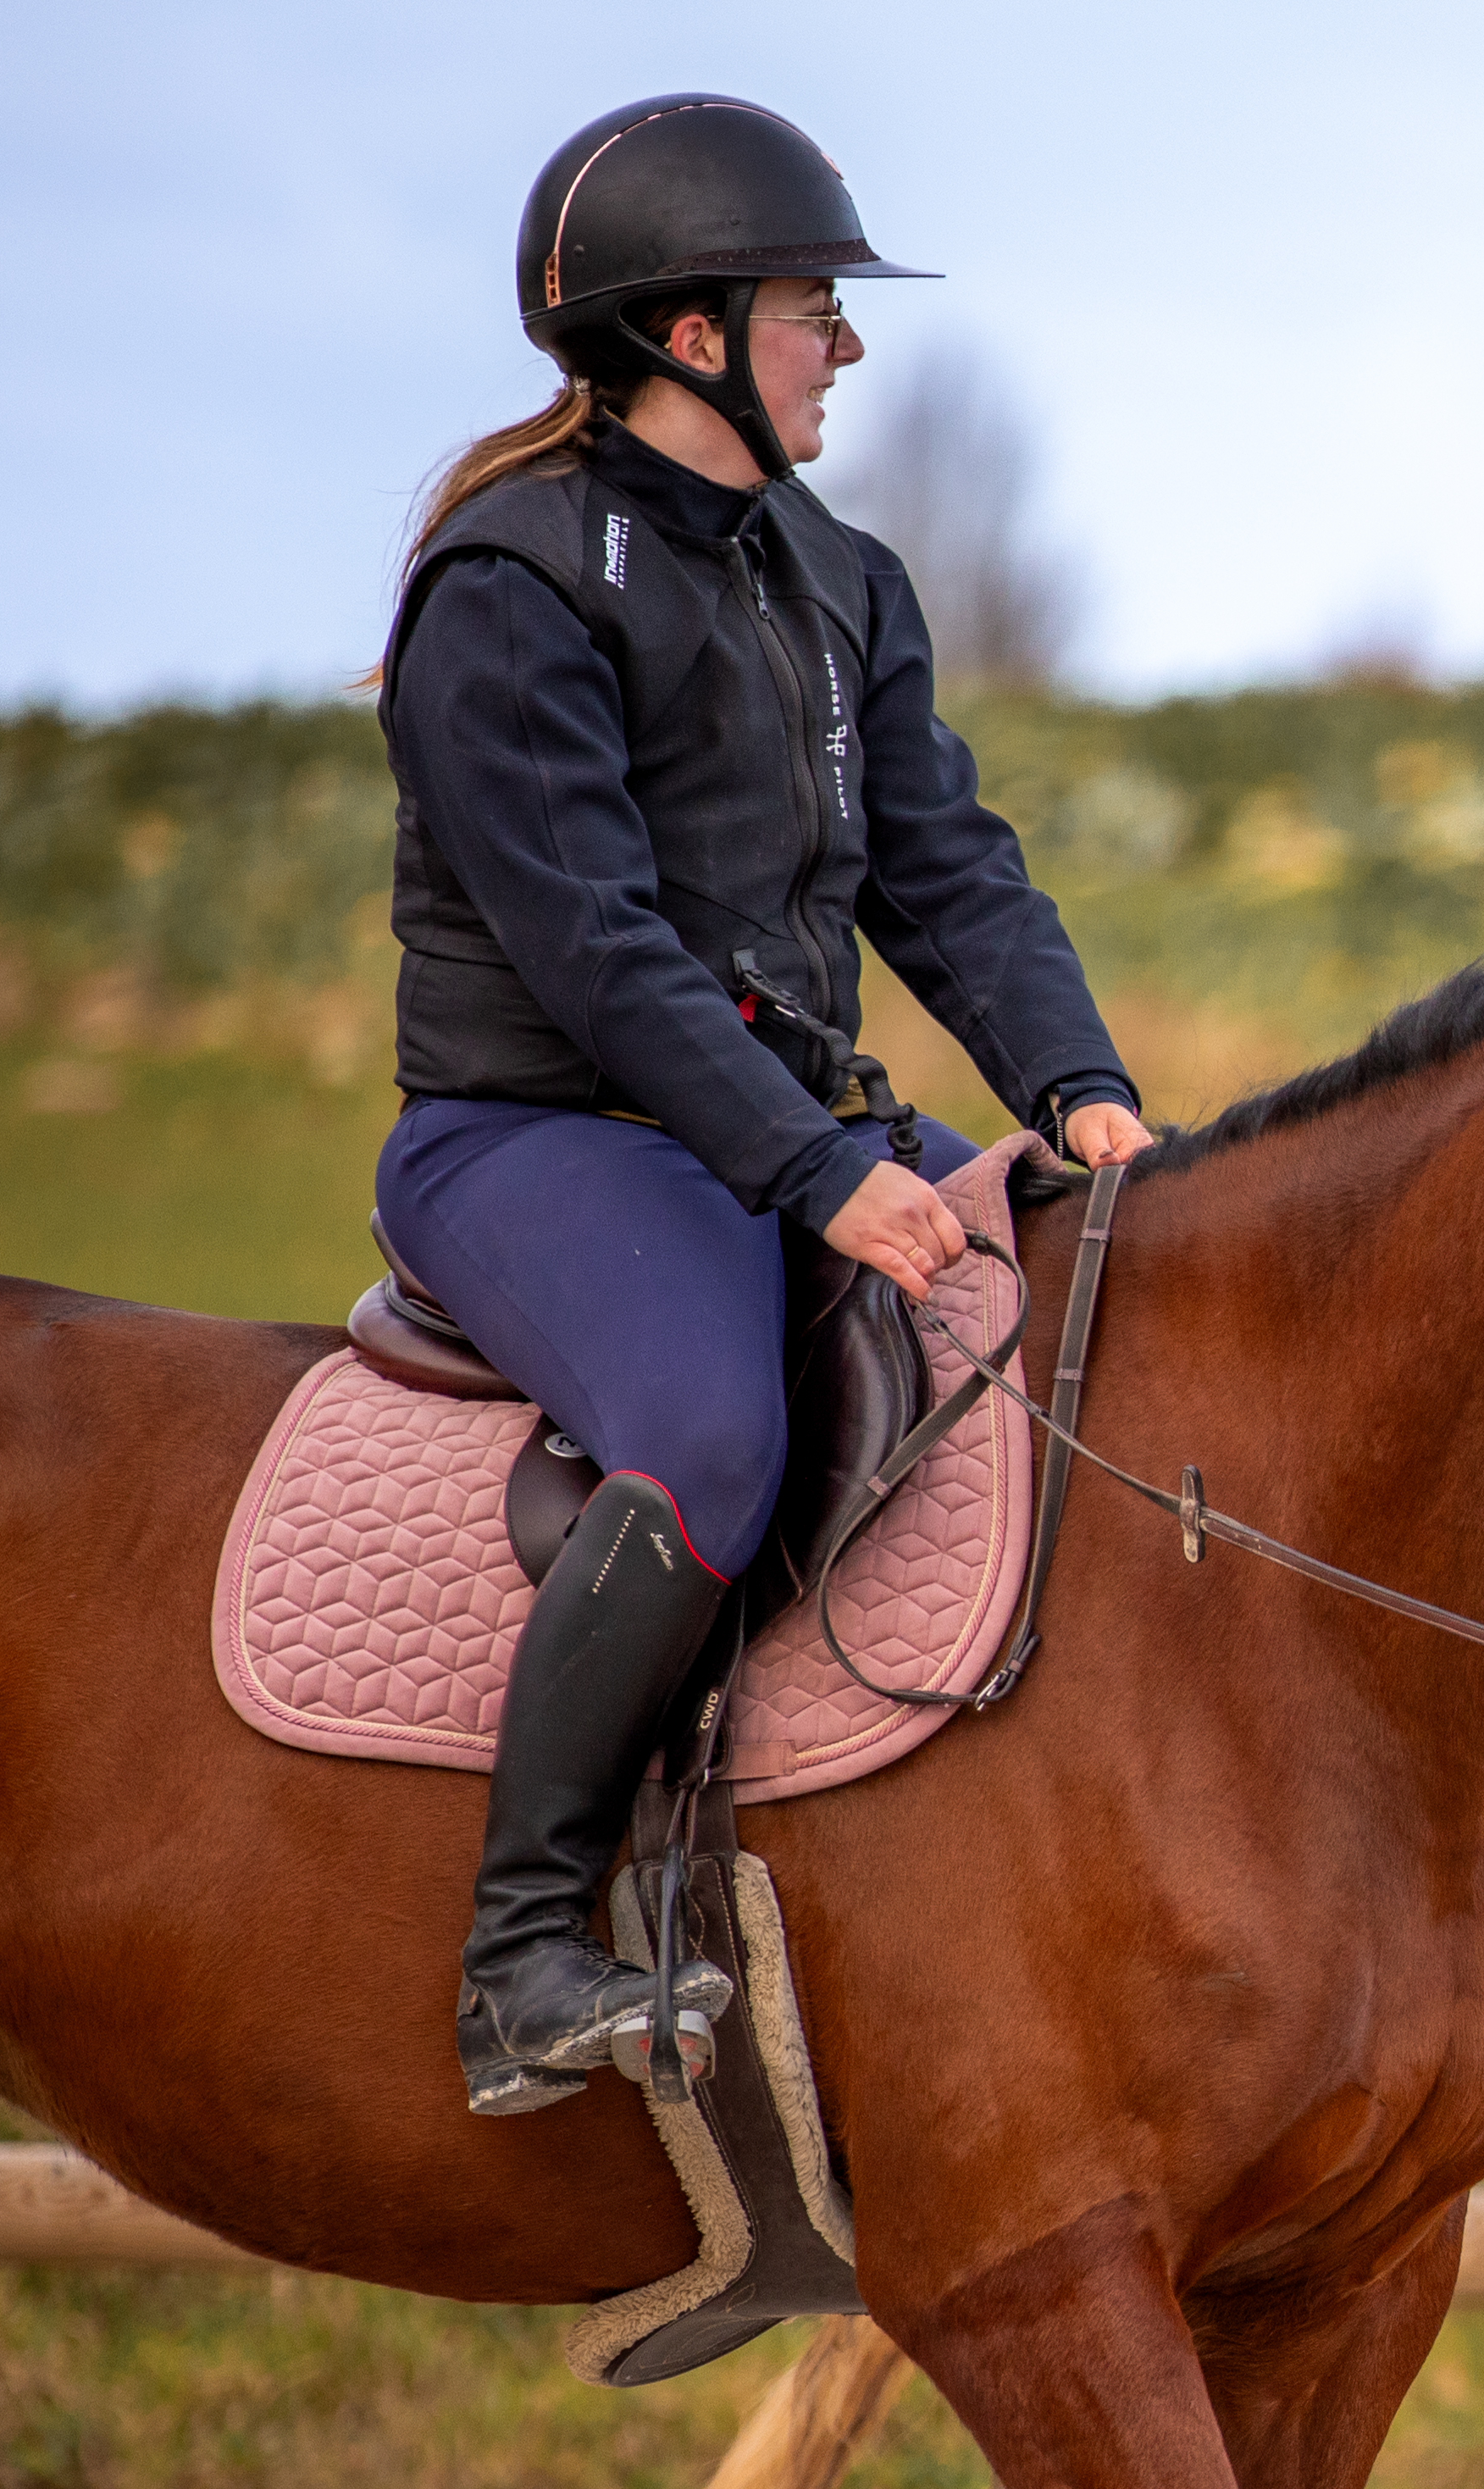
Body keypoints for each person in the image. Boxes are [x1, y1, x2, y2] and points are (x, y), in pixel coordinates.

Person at [374, 94, 1155, 2117]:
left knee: (1110, 1303)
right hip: (543, 1136)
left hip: (780, 1119)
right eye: (817, 309)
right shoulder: (510, 580)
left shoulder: (839, 576)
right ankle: (522, 1953)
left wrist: (1078, 1090)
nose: (849, 346)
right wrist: (816, 1173)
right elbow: (594, 946)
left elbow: (947, 870)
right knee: (716, 1431)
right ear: (692, 333)